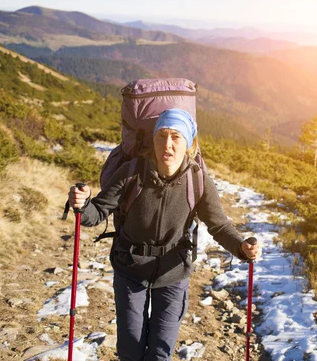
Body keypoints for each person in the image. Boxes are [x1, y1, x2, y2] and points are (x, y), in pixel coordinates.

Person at [68, 108, 261, 361]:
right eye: (161, 136)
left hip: (173, 272)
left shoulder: (197, 179)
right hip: (130, 268)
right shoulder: (131, 172)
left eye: (175, 137)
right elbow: (97, 213)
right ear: (153, 140)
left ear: (188, 144)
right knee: (131, 351)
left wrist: (241, 246)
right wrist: (82, 203)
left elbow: (219, 225)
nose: (167, 145)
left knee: (160, 352)